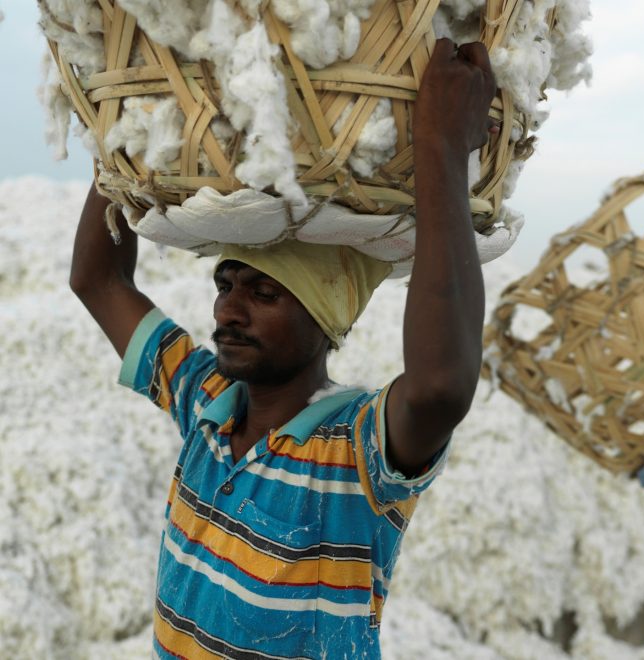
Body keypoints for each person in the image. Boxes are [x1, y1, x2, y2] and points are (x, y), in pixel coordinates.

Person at [70, 38, 496, 659]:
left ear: (325, 319)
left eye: (264, 293)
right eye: (225, 284)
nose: (227, 309)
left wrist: (441, 146)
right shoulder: (205, 402)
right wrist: (126, 123)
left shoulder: (356, 454)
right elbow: (98, 281)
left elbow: (439, 386)